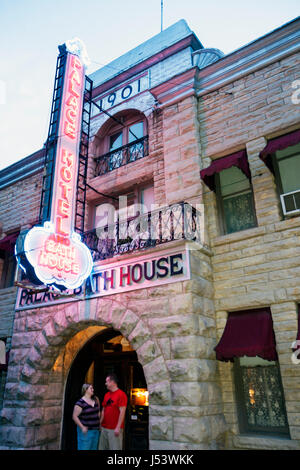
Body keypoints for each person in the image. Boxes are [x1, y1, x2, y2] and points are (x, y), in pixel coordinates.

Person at [99, 373, 128, 450]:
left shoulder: (121, 394)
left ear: (112, 382)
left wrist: (118, 427)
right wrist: (100, 423)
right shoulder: (106, 395)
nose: (105, 384)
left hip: (114, 429)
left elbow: (122, 412)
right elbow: (103, 410)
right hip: (104, 428)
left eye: (107, 381)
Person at [72, 383, 100, 450]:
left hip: (96, 431)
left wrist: (99, 424)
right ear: (86, 390)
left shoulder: (96, 400)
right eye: (91, 388)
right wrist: (82, 427)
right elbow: (74, 416)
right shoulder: (80, 403)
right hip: (86, 432)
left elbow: (98, 412)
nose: (93, 390)